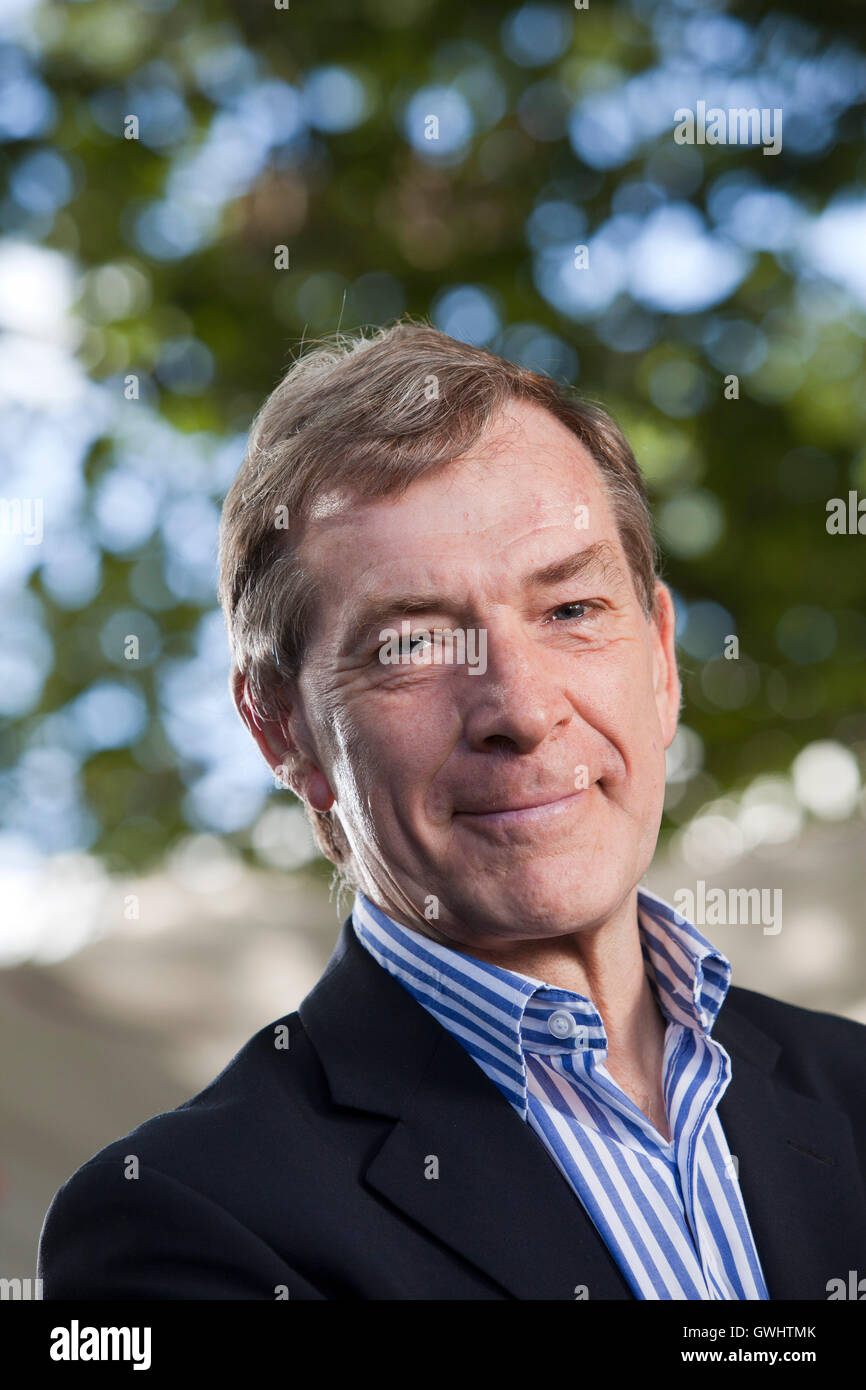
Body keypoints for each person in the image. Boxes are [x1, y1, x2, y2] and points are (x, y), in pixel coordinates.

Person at [38, 322, 866, 1299]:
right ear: (281, 734)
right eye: (410, 646)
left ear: (658, 655)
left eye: (569, 611)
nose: (518, 708)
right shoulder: (181, 1222)